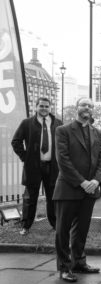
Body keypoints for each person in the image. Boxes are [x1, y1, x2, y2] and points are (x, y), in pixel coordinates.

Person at [53, 97, 101, 283]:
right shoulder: (63, 130)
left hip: (90, 189)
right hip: (68, 188)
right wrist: (82, 182)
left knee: (81, 229)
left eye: (91, 106)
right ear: (77, 108)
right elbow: (63, 160)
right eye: (84, 105)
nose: (88, 108)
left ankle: (79, 263)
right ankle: (64, 267)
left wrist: (96, 181)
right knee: (63, 230)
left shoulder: (97, 132)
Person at [11, 97, 63, 235]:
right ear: (36, 107)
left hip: (52, 167)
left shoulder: (58, 123)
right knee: (29, 197)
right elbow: (16, 141)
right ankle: (26, 226)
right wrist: (25, 158)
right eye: (41, 106)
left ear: (50, 108)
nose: (44, 108)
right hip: (33, 166)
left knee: (53, 197)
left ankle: (56, 224)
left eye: (46, 106)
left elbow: (64, 144)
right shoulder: (27, 123)